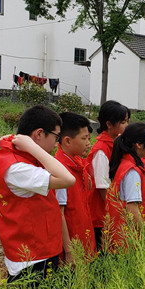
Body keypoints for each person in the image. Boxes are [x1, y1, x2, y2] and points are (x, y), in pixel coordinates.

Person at [0, 105, 75, 289]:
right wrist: (34, 148)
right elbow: (68, 179)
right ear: (38, 134)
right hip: (32, 257)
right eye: (56, 137)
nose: (56, 144)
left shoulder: (19, 156)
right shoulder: (18, 168)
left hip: (39, 249)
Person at [105, 123, 145, 252]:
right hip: (127, 240)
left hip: (121, 236)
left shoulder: (127, 164)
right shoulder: (132, 172)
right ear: (138, 145)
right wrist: (144, 234)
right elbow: (132, 208)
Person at [87, 101, 129, 250]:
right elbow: (102, 187)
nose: (126, 126)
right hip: (102, 213)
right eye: (123, 122)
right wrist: (119, 213)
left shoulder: (115, 145)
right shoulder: (101, 150)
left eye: (127, 121)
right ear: (109, 124)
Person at [55, 112, 95, 262]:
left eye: (89, 138)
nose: (88, 143)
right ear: (67, 141)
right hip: (73, 242)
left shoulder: (77, 163)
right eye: (84, 139)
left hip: (84, 236)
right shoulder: (60, 171)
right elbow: (59, 213)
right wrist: (69, 250)